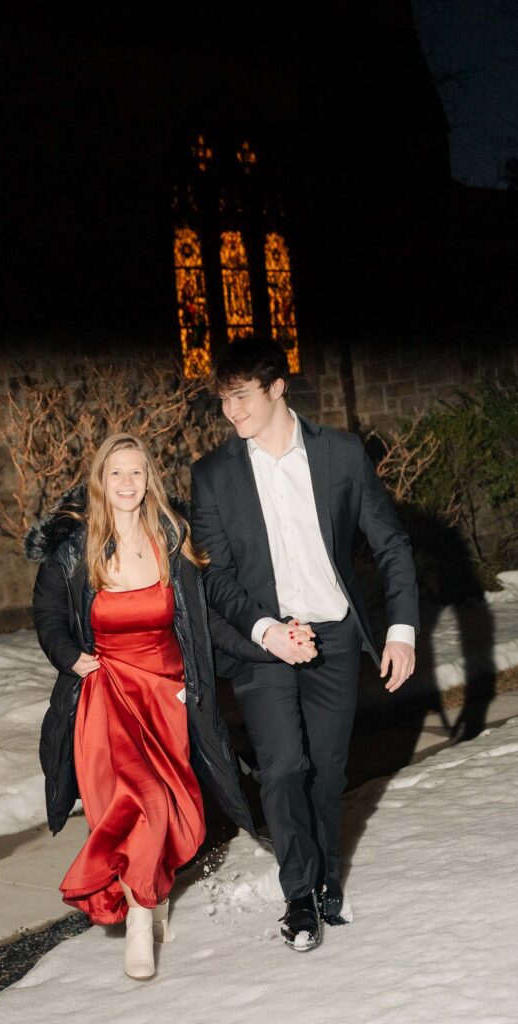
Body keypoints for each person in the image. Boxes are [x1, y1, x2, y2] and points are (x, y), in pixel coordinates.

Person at [190, 339, 419, 952]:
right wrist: (266, 630)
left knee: (327, 770)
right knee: (284, 766)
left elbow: (391, 544)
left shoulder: (340, 455)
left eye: (241, 396)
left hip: (336, 637)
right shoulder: (212, 475)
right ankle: (299, 897)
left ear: (276, 387)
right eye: (223, 400)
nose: (231, 411)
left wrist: (400, 631)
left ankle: (326, 880)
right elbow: (217, 577)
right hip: (263, 642)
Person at [25, 433, 268, 980]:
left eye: (137, 473)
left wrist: (265, 643)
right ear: (100, 481)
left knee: (174, 805)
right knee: (143, 798)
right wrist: (71, 657)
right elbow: (49, 617)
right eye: (116, 474)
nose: (127, 483)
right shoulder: (75, 549)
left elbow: (205, 621)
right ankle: (139, 915)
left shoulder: (174, 541)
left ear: (150, 479)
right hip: (108, 693)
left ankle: (153, 895)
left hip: (167, 693)